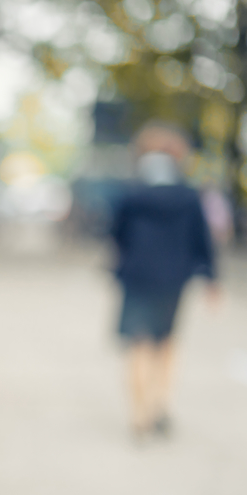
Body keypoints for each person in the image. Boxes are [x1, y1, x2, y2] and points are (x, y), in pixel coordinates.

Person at [110, 121, 218, 441]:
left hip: (137, 277)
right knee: (166, 343)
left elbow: (116, 236)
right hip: (174, 279)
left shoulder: (130, 195)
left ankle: (139, 415)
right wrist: (211, 278)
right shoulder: (188, 196)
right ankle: (159, 405)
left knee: (138, 345)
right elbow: (202, 242)